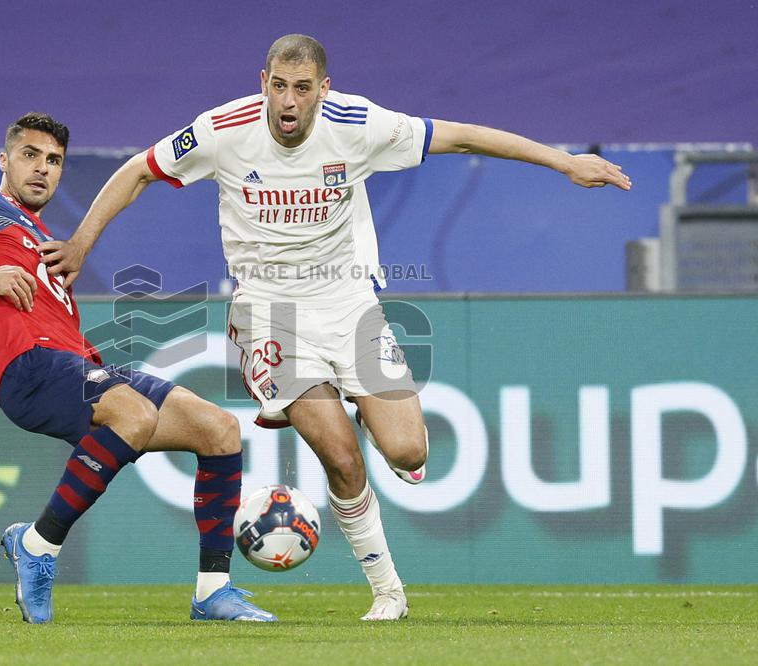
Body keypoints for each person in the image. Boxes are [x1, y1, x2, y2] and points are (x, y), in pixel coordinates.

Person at [38, 35, 632, 621]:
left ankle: (365, 416)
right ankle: (389, 592)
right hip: (271, 313)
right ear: (262, 82)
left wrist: (565, 162)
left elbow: (465, 136)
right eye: (278, 86)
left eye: (302, 89)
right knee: (343, 460)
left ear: (323, 90)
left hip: (350, 306)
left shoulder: (358, 123)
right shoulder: (224, 129)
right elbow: (138, 171)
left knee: (405, 448)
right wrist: (82, 243)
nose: (288, 102)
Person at [0, 112, 276, 624]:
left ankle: (213, 591)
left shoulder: (43, 239)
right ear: (4, 160)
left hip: (74, 364)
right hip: (28, 367)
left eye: (54, 161)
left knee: (219, 429)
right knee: (132, 415)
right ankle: (38, 544)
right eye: (30, 156)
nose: (42, 169)